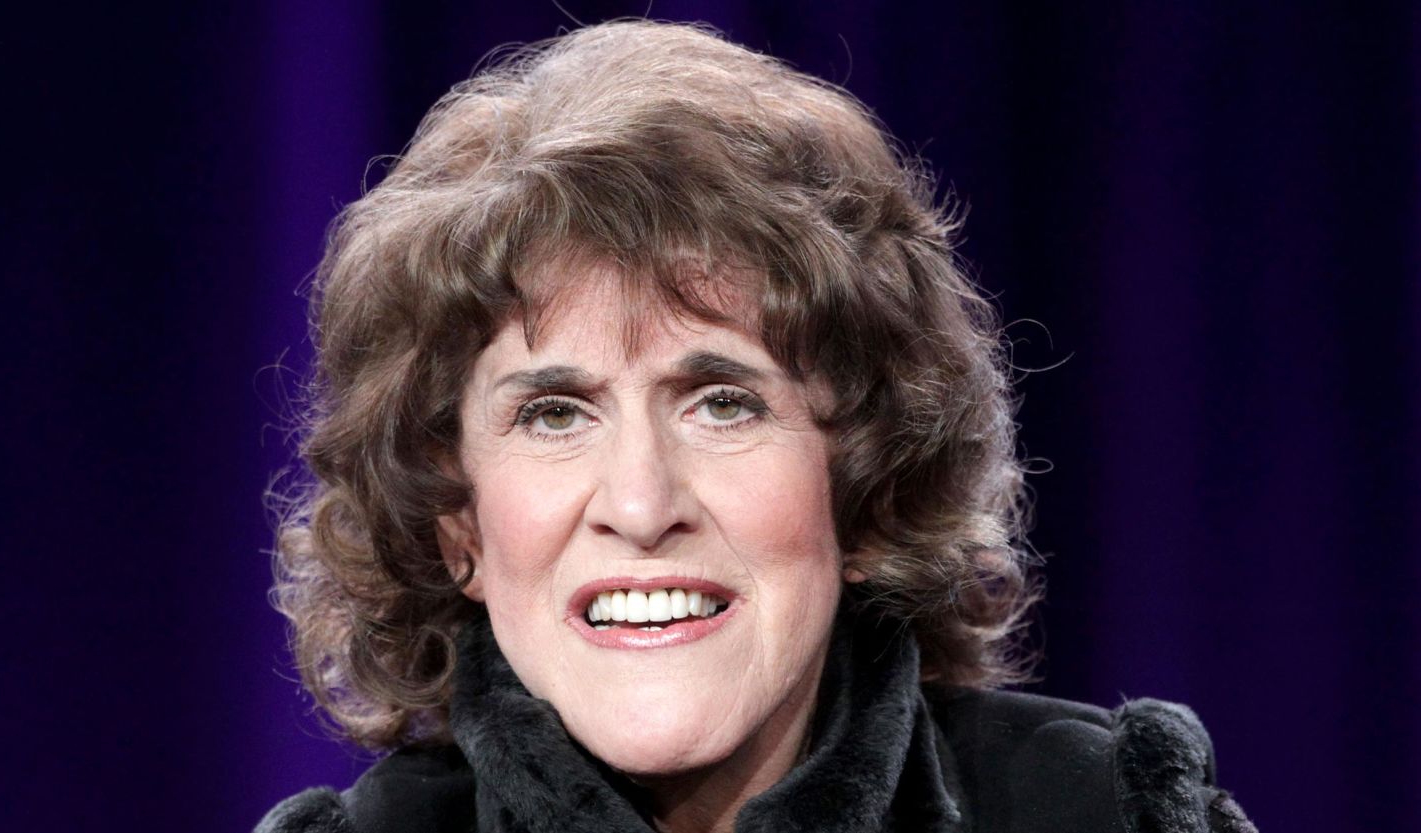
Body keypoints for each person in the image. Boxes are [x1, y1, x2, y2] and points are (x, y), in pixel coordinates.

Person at [256, 20, 1255, 833]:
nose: (641, 503)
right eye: (554, 413)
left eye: (722, 402)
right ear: (457, 523)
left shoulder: (1097, 811)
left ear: (866, 486)